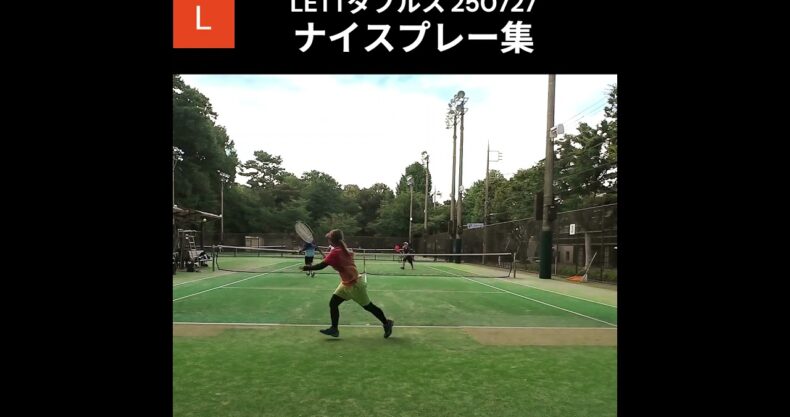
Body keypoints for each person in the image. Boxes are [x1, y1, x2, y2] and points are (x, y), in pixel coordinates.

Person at [301, 229, 394, 339]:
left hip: (354, 285)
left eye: (329, 238)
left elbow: (321, 266)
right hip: (346, 284)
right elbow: (333, 261)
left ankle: (387, 323)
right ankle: (334, 329)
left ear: (332, 240)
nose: (328, 240)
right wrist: (326, 258)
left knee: (369, 306)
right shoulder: (342, 249)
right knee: (333, 303)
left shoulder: (335, 252)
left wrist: (307, 267)